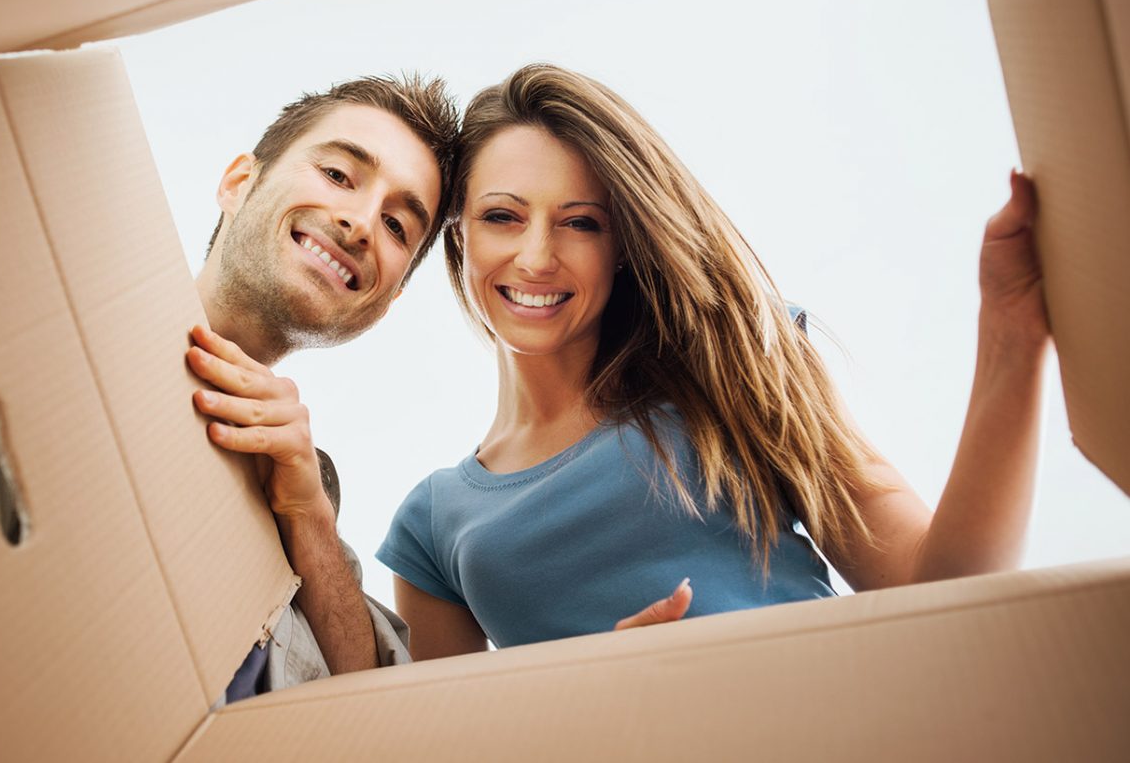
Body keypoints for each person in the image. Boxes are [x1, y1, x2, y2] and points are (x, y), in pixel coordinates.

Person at [374, 63, 1051, 658]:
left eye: (581, 222)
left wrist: (1011, 337)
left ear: (622, 243)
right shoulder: (433, 524)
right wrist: (593, 698)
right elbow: (456, 737)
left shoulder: (729, 369)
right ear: (457, 233)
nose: (538, 256)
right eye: (503, 216)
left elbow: (948, 586)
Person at [183, 73, 458, 699]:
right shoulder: (71, 326)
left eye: (396, 226)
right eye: (338, 175)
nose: (360, 223)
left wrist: (307, 516)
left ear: (380, 304)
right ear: (238, 183)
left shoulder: (305, 493)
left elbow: (367, 703)